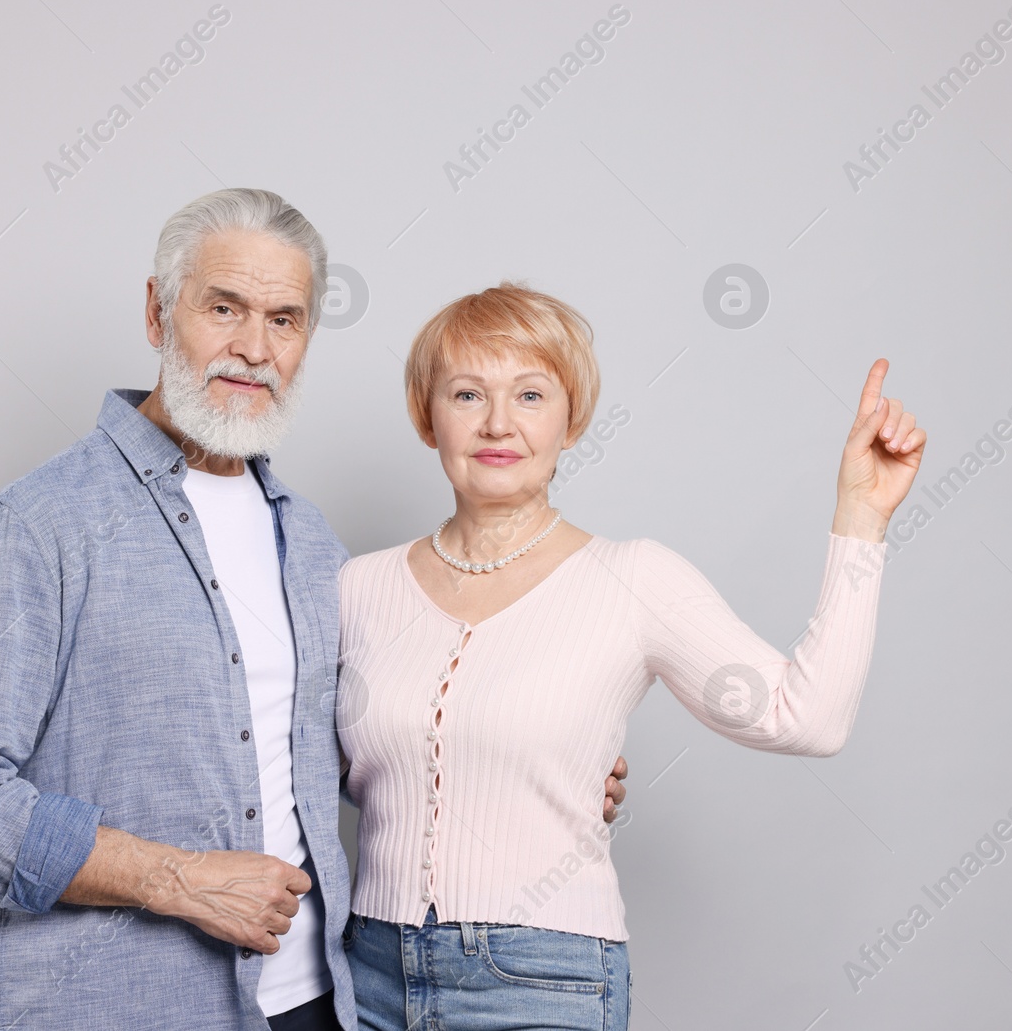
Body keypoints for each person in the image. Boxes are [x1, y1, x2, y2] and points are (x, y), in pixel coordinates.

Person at [0, 190, 629, 1031]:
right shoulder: (42, 524)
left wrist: (524, 750)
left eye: (284, 320)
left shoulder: (313, 544)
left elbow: (348, 757)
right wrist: (179, 879)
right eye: (224, 308)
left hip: (318, 1003)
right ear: (156, 310)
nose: (253, 348)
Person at [336, 283, 925, 1030]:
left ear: (572, 420)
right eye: (465, 393)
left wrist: (861, 518)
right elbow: (331, 770)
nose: (497, 423)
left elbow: (807, 717)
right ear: (428, 417)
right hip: (369, 975)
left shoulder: (633, 579)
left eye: (529, 394)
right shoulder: (359, 587)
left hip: (542, 977)